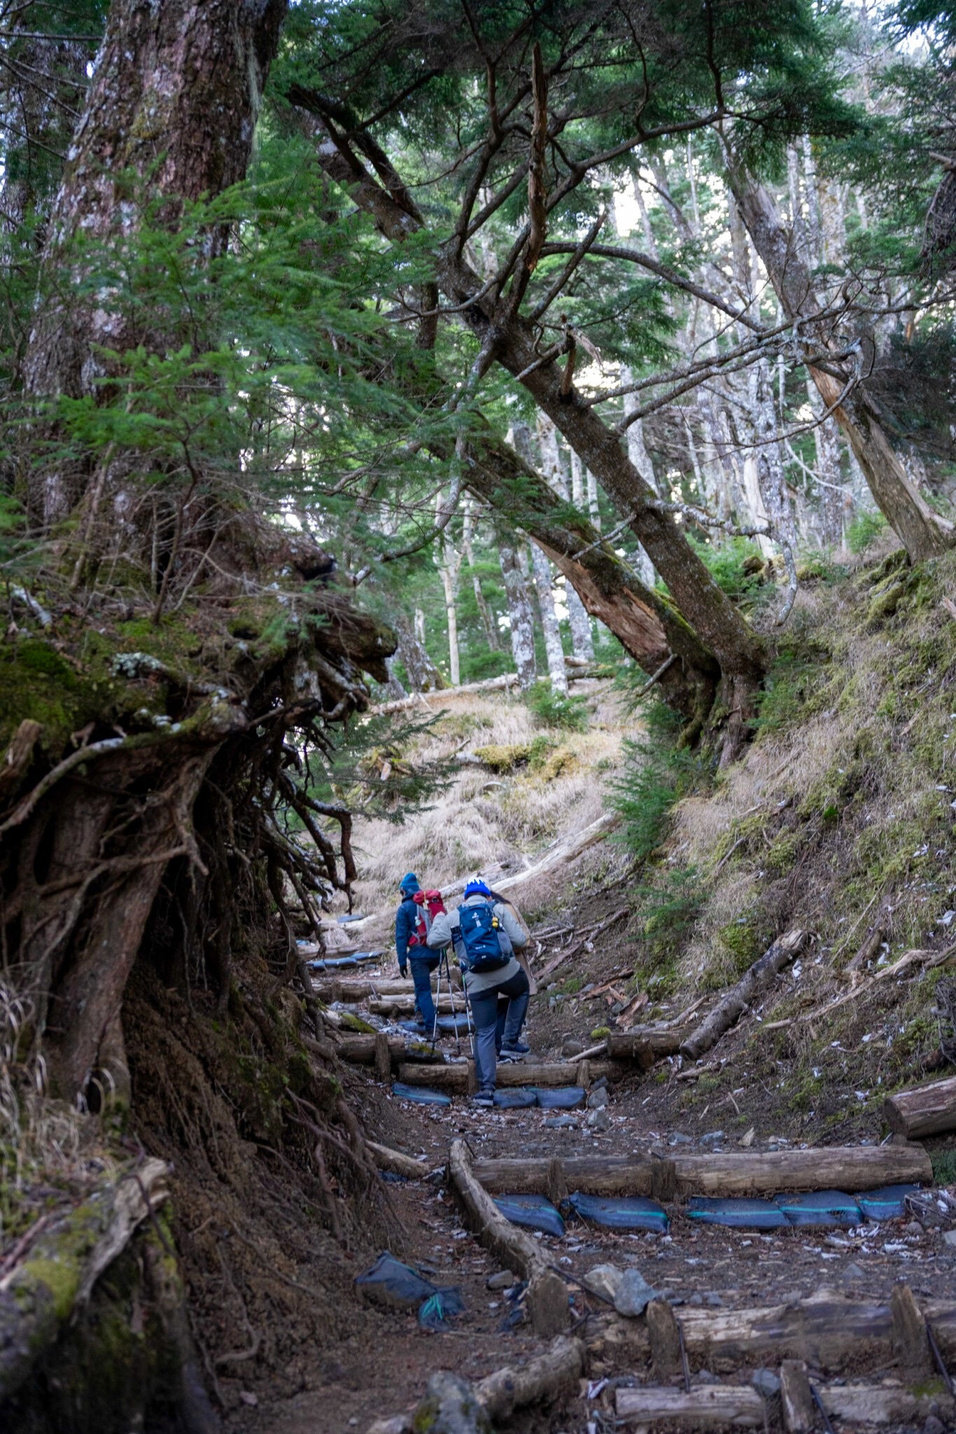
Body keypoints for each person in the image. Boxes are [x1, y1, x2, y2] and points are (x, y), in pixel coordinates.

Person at [427, 878, 530, 1108]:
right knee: (522, 990)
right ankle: (510, 1041)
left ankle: (486, 1090)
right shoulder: (496, 908)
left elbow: (433, 942)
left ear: (465, 897)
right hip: (506, 972)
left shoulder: (455, 915)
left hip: (476, 980)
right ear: (487, 895)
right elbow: (520, 940)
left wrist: (440, 917)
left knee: (484, 1031)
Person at [395, 872, 440, 1034]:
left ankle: (432, 1028)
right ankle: (419, 1011)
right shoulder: (426, 904)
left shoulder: (404, 909)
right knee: (421, 985)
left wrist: (401, 961)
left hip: (419, 956)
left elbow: (400, 937)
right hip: (436, 954)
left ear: (405, 891)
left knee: (423, 990)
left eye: (401, 892)